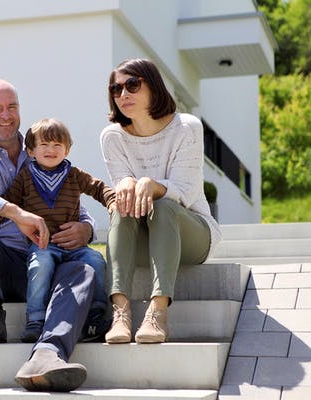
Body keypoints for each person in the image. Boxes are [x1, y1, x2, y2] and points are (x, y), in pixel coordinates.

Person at [0, 79, 97, 392]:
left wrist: (87, 228)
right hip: (0, 265)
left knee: (85, 267)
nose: (6, 115)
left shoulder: (43, 149)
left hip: (46, 264)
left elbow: (75, 200)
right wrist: (14, 211)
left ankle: (47, 355)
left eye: (12, 106)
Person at [99, 58, 222, 344]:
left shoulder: (186, 127)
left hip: (192, 235)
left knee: (164, 205)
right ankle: (120, 313)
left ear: (153, 86)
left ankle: (158, 312)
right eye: (116, 89)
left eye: (132, 85)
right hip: (142, 241)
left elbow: (187, 191)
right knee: (121, 204)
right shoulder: (112, 137)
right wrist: (127, 184)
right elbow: (123, 190)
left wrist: (151, 185)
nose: (123, 94)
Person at [3, 117, 115, 343]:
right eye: (44, 145)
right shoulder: (25, 177)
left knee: (96, 260)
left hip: (75, 245)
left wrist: (113, 202)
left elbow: (99, 188)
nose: (51, 150)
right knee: (39, 265)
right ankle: (35, 319)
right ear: (31, 151)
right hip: (43, 244)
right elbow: (7, 203)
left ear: (67, 149)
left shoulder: (73, 174)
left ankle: (96, 310)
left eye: (57, 145)